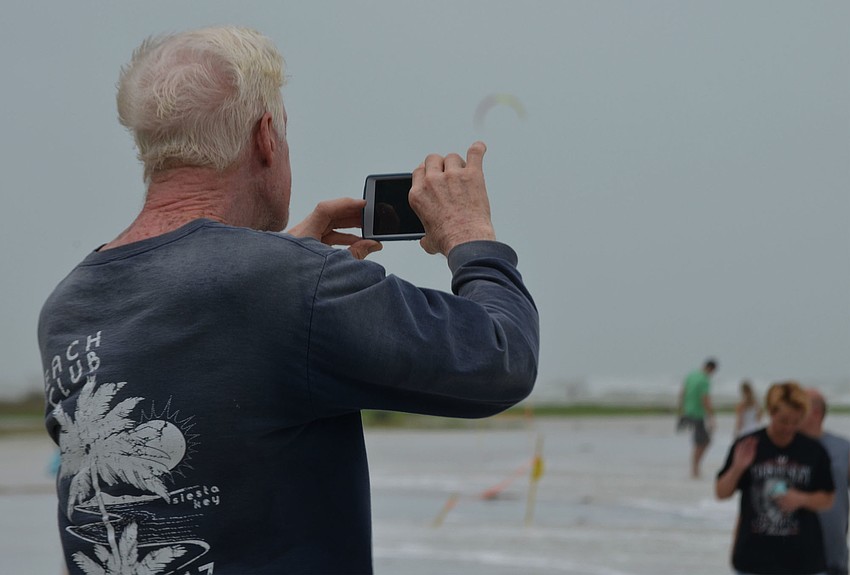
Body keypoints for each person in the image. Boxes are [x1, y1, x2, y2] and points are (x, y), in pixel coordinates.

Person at [37, 27, 539, 575]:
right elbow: (501, 358)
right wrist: (470, 234)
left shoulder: (68, 305)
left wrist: (278, 266)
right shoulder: (288, 284)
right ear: (265, 138)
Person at [716, 381, 835, 575]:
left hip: (804, 562)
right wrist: (738, 467)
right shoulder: (748, 445)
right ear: (771, 412)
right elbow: (721, 492)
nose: (789, 427)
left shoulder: (814, 451)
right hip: (753, 561)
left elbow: (828, 499)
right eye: (784, 420)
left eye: (796, 421)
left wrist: (801, 499)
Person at [800, 388, 850, 575]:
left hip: (833, 556)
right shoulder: (785, 448)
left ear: (815, 413)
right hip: (789, 557)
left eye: (798, 408)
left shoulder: (843, 448)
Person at [677, 358, 717, 478]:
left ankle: (695, 467)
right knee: (704, 441)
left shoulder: (691, 375)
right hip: (698, 414)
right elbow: (705, 399)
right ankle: (695, 468)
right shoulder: (704, 379)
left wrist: (681, 409)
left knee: (699, 441)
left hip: (688, 412)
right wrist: (712, 416)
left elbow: (682, 392)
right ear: (711, 369)